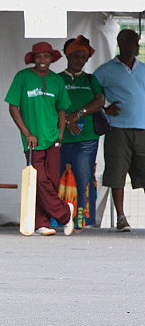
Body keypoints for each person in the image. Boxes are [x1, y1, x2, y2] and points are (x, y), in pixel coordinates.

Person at [5, 42, 74, 236]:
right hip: (32, 141)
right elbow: (13, 107)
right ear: (33, 59)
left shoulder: (57, 81)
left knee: (51, 181)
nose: (42, 60)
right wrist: (27, 133)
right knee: (39, 180)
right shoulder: (22, 77)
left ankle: (42, 224)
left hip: (52, 138)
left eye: (46, 56)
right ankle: (65, 214)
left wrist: (61, 133)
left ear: (51, 58)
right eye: (38, 56)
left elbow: (61, 109)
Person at [94, 29, 145, 232]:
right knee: (117, 173)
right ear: (121, 43)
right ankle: (121, 218)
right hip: (117, 129)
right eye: (133, 42)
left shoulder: (143, 68)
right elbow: (93, 94)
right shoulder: (105, 70)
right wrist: (104, 109)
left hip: (143, 129)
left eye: (137, 42)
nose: (137, 46)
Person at [58, 35, 105, 229]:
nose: (80, 60)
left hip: (87, 138)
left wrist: (77, 115)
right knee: (59, 177)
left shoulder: (90, 79)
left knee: (84, 177)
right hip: (61, 137)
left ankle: (82, 220)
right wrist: (66, 121)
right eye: (76, 56)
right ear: (67, 56)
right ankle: (60, 218)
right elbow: (51, 104)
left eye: (84, 57)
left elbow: (99, 101)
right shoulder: (57, 79)